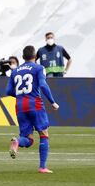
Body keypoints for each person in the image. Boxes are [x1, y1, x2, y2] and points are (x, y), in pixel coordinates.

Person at [6, 45, 59, 173]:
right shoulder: (39, 68)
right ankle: (42, 167)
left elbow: (8, 91)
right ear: (35, 56)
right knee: (44, 134)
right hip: (35, 104)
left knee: (28, 140)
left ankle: (17, 141)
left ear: (23, 57)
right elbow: (43, 85)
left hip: (19, 106)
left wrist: (21, 95)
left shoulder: (15, 71)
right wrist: (52, 101)